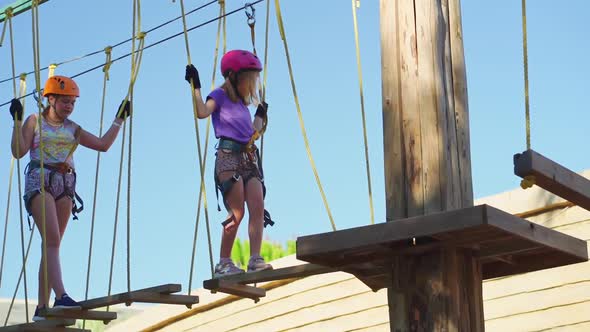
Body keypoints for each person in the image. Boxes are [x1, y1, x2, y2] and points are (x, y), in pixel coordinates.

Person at [9, 75, 130, 321]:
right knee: (52, 240)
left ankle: (42, 309)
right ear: (50, 99)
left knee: (51, 246)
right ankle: (61, 295)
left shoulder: (72, 128)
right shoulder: (35, 121)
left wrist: (119, 118)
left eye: (72, 103)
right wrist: (17, 121)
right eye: (65, 102)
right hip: (40, 181)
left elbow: (102, 145)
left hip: (65, 184)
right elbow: (19, 151)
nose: (69, 107)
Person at [185, 49, 273, 277]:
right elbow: (202, 112)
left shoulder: (242, 106)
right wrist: (196, 87)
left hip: (248, 158)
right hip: (228, 158)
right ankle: (223, 262)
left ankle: (255, 258)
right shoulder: (219, 96)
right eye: (249, 79)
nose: (252, 85)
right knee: (237, 213)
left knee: (257, 206)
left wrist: (260, 116)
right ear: (234, 76)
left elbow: (252, 133)